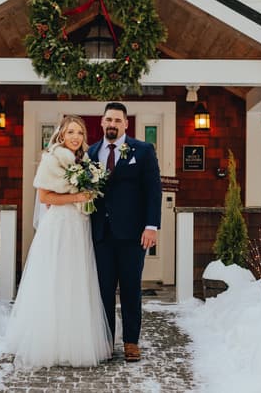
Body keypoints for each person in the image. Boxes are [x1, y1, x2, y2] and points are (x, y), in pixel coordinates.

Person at [4, 115, 112, 369]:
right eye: (71, 132)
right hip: (60, 226)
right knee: (56, 279)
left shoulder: (84, 161)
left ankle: (74, 339)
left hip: (79, 226)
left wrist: (87, 196)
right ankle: (50, 342)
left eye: (80, 133)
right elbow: (44, 197)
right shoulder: (53, 158)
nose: (76, 137)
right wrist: (76, 197)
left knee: (75, 280)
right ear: (62, 135)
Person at [88, 102, 162, 362]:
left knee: (131, 288)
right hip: (100, 234)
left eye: (117, 120)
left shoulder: (142, 151)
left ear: (126, 124)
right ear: (102, 122)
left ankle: (131, 342)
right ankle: (106, 341)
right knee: (103, 290)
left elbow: (154, 191)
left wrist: (151, 226)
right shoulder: (91, 152)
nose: (112, 124)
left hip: (133, 235)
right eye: (109, 119)